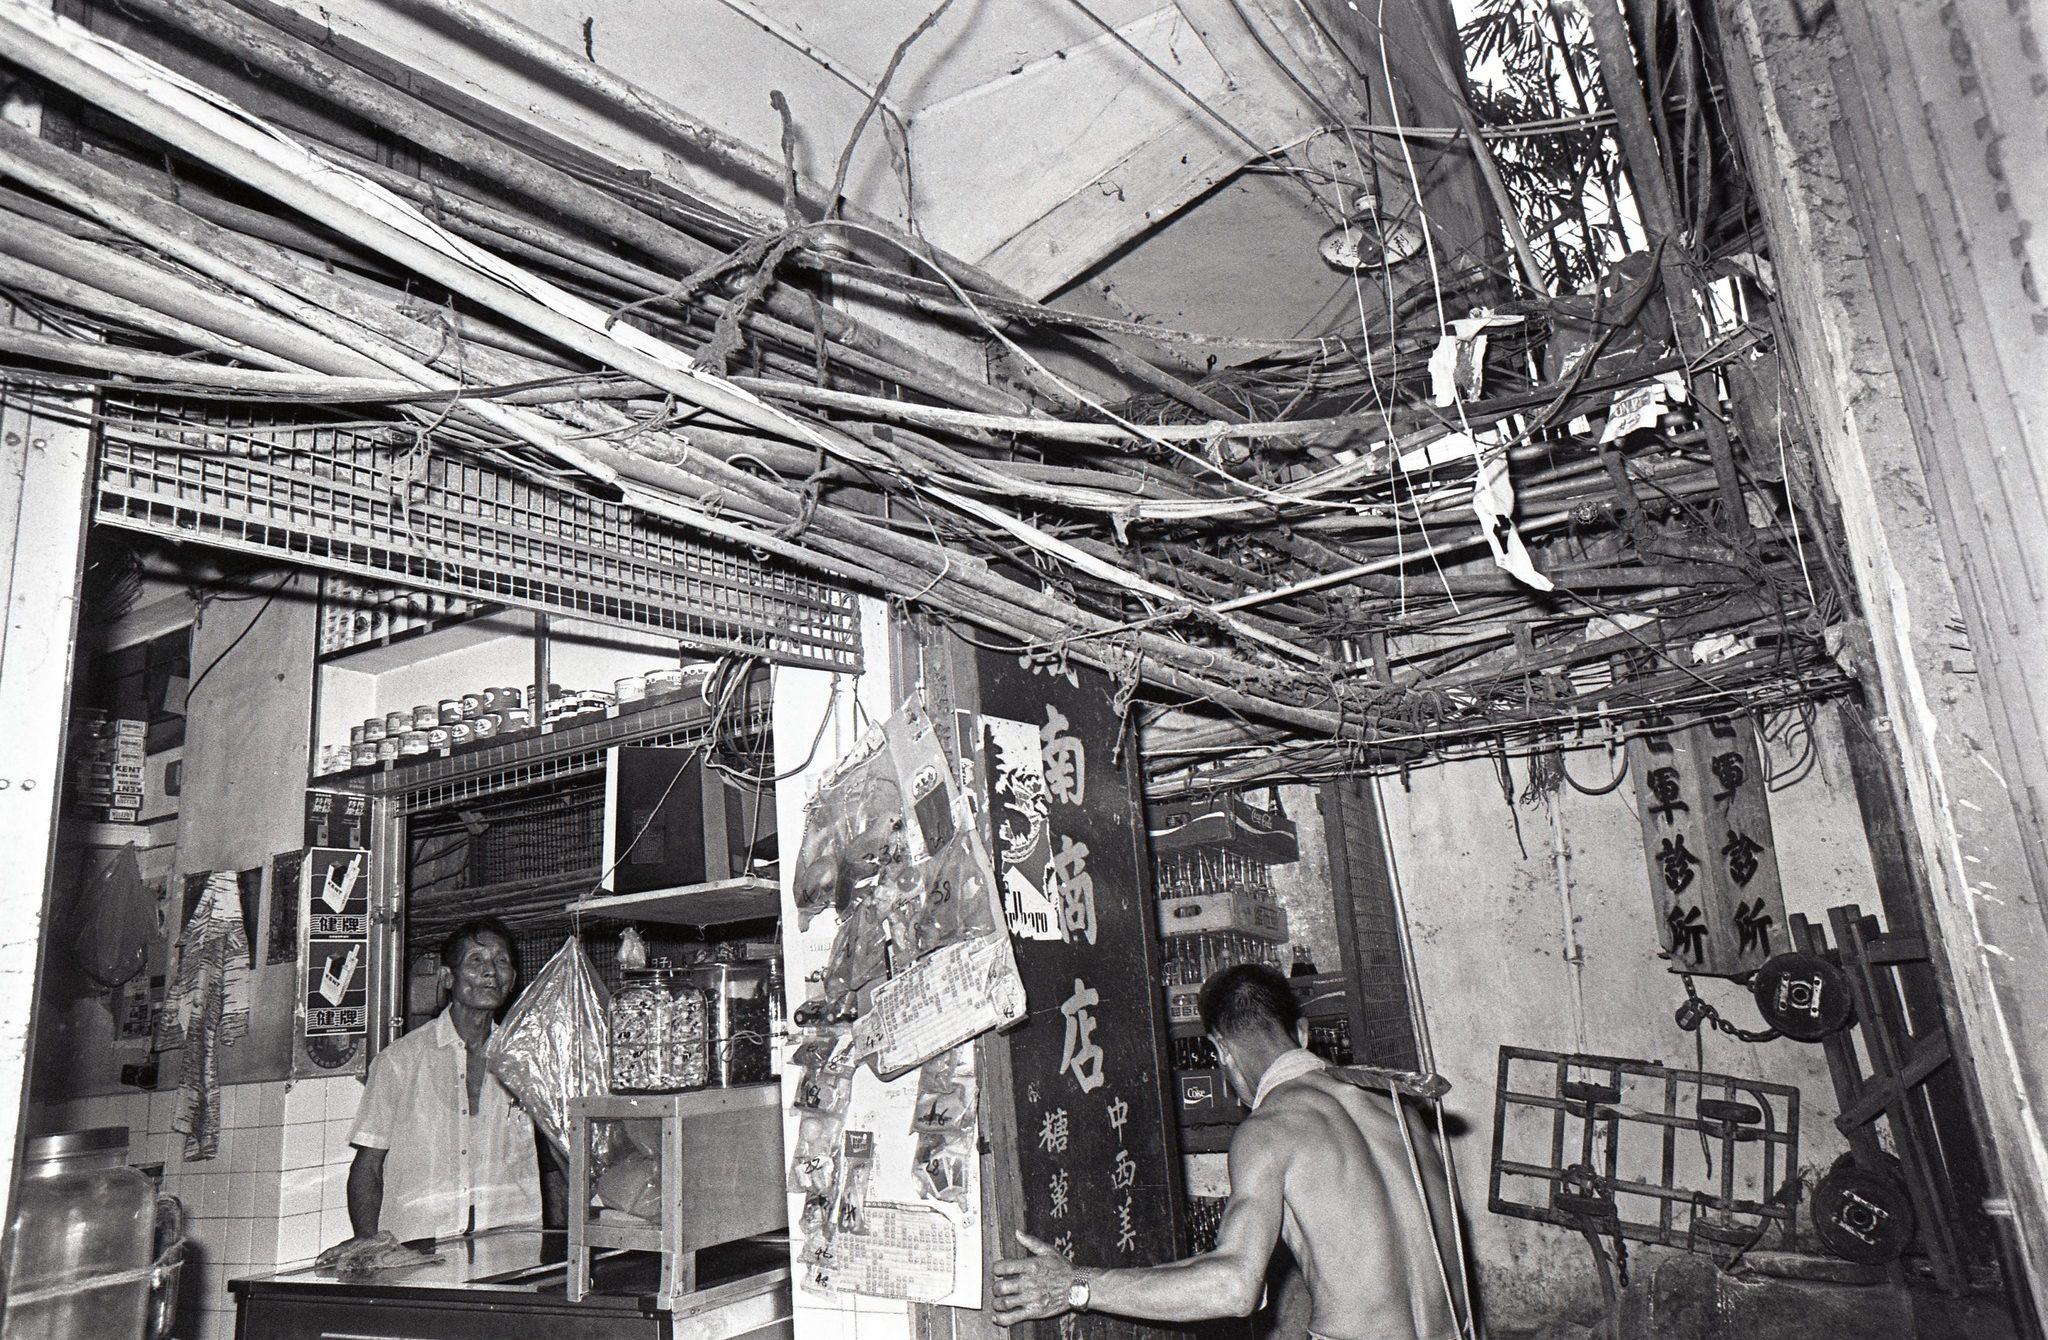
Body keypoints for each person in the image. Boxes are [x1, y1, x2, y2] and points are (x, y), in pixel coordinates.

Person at [992, 963, 1467, 1340]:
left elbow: (1233, 1287)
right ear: (1302, 1033)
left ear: (1220, 1050)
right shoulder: (1398, 1110)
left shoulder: (1269, 1131)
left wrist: (1075, 1286)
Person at [336, 917, 543, 1248]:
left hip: (511, 1247)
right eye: (477, 960)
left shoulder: (527, 1061)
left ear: (513, 979)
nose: (492, 971)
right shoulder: (399, 1060)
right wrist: (366, 1239)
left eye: (502, 961)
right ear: (448, 977)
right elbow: (368, 1167)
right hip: (418, 1248)